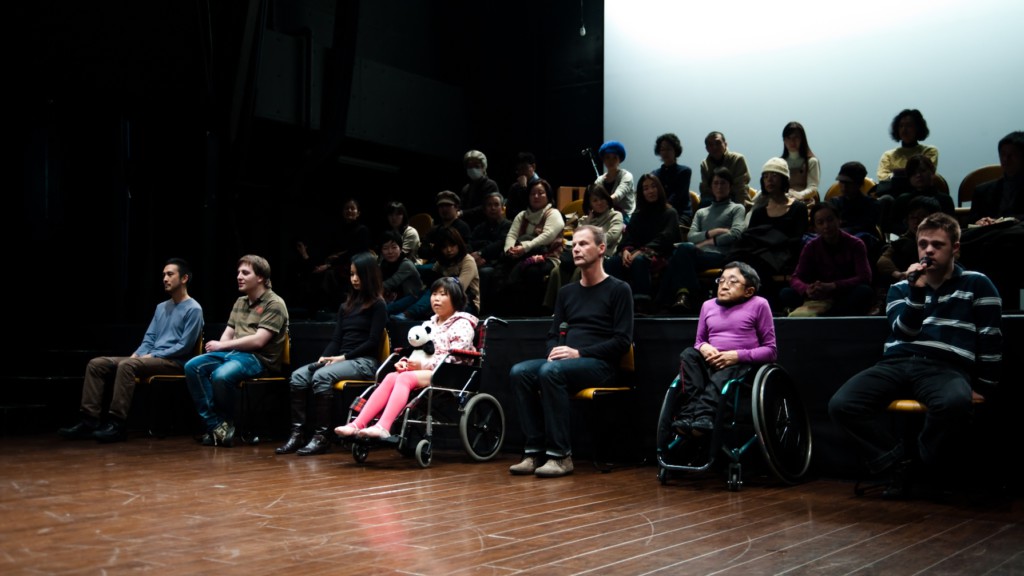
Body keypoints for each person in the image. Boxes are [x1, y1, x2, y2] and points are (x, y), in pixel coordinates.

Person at [828, 213, 1002, 499]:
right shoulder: (901, 287)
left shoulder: (978, 284)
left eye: (937, 245)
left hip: (945, 366)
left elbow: (991, 340)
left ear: (955, 249)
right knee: (842, 404)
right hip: (897, 362)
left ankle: (924, 463)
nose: (928, 251)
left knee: (954, 403)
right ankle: (897, 463)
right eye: (923, 244)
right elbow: (904, 333)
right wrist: (916, 293)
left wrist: (984, 386)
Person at [508, 225, 634, 478]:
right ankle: (534, 452)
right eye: (573, 244)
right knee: (519, 371)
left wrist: (579, 353)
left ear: (601, 249)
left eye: (583, 244)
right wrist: (553, 352)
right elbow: (553, 334)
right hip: (565, 364)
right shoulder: (567, 292)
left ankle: (560, 456)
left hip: (601, 365)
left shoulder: (619, 289)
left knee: (551, 371)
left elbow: (622, 341)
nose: (575, 248)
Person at [59, 258, 204, 443]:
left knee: (128, 366)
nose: (165, 279)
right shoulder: (161, 307)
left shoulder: (194, 309)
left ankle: (117, 424)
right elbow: (150, 338)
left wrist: (153, 355)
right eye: (163, 275)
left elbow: (185, 346)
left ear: (184, 278)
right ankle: (89, 420)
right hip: (152, 358)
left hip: (175, 362)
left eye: (170, 274)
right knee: (97, 364)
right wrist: (137, 354)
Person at [335, 277, 477, 439]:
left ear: (456, 299)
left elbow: (456, 357)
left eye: (443, 294)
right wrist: (406, 362)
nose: (436, 298)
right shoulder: (428, 325)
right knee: (390, 377)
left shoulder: (463, 324)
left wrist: (423, 365)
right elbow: (417, 351)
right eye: (434, 294)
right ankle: (357, 424)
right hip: (425, 371)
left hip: (450, 373)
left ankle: (383, 426)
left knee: (405, 379)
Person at [276, 253, 386, 456]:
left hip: (364, 362)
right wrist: (323, 358)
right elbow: (336, 341)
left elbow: (372, 342)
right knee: (299, 376)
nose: (354, 279)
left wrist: (342, 359)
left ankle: (322, 437)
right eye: (352, 274)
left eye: (358, 275)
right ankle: (298, 434)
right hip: (342, 360)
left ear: (369, 276)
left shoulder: (378, 305)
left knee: (322, 376)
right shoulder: (345, 307)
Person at [185, 255, 289, 447]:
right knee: (193, 366)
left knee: (221, 375)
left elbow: (259, 341)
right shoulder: (240, 302)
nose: (239, 276)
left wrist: (222, 346)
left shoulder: (274, 303)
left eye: (245, 273)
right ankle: (217, 426)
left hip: (259, 359)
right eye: (238, 273)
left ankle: (224, 424)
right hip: (234, 354)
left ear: (260, 278)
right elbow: (228, 334)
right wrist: (221, 347)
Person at [672, 261, 776, 435]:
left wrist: (736, 356)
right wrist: (704, 347)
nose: (724, 286)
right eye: (721, 281)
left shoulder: (759, 304)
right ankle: (689, 413)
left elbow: (770, 350)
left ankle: (705, 416)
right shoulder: (708, 305)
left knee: (727, 372)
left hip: (741, 365)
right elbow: (699, 341)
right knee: (689, 354)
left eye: (732, 282)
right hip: (711, 362)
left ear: (748, 291)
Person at [657, 167, 746, 313]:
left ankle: (668, 300)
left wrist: (706, 241)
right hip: (696, 255)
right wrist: (715, 231)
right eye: (716, 183)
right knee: (679, 253)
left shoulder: (737, 208)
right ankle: (686, 294)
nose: (719, 187)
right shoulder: (701, 212)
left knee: (681, 253)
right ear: (711, 187)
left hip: (721, 255)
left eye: (723, 183)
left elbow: (735, 234)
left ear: (730, 186)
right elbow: (691, 236)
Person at [729, 158, 808, 308]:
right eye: (765, 176)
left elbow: (797, 239)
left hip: (785, 253)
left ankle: (765, 306)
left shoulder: (798, 208)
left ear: (784, 179)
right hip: (760, 253)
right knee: (736, 261)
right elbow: (750, 238)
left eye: (774, 175)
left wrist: (772, 242)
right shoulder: (759, 211)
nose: (769, 180)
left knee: (756, 264)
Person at [780, 203, 874, 317]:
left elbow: (865, 277)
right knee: (786, 293)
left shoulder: (856, 244)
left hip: (843, 294)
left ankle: (827, 315)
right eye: (820, 223)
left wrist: (834, 286)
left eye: (830, 220)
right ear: (814, 228)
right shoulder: (811, 246)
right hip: (817, 296)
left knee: (864, 291)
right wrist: (807, 289)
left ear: (839, 220)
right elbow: (796, 278)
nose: (826, 226)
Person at [604, 173, 680, 313]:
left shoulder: (670, 212)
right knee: (612, 262)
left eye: (653, 187)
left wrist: (642, 250)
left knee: (639, 260)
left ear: (659, 188)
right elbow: (628, 237)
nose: (650, 191)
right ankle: (617, 302)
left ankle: (642, 304)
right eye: (645, 188)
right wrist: (626, 250)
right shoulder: (638, 214)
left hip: (660, 254)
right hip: (636, 253)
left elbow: (666, 238)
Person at [498, 178, 565, 317]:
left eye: (540, 193)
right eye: (532, 193)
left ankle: (532, 313)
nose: (536, 196)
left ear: (548, 196)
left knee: (532, 271)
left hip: (548, 257)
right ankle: (507, 312)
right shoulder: (522, 215)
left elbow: (547, 236)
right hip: (520, 255)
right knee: (500, 269)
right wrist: (510, 250)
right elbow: (511, 235)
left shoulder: (553, 214)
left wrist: (524, 247)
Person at [295, 198, 370, 314]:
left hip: (352, 266)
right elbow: (330, 251)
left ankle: (329, 309)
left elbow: (356, 252)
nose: (349, 211)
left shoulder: (362, 230)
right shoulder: (338, 230)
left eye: (352, 208)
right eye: (346, 208)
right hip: (335, 264)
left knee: (329, 274)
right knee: (314, 271)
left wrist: (330, 264)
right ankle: (315, 310)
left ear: (358, 213)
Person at [401, 226, 480, 319]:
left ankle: (408, 314)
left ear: (459, 244)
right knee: (420, 293)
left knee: (433, 291)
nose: (449, 250)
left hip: (466, 303)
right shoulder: (442, 261)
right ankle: (391, 311)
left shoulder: (467, 260)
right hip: (444, 299)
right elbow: (431, 278)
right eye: (444, 247)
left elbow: (459, 288)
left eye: (452, 245)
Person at [469, 191, 512, 314]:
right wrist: (479, 253)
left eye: (496, 204)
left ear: (502, 208)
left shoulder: (508, 225)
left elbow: (501, 244)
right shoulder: (480, 227)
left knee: (485, 273)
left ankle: (481, 311)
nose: (492, 208)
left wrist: (482, 253)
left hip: (498, 263)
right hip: (478, 262)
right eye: (489, 205)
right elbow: (470, 243)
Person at [968, 130, 1023, 225]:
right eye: (1003, 154)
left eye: (1011, 155)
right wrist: (979, 222)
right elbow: (970, 223)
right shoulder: (982, 192)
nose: (1005, 159)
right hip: (989, 237)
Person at [829, 161, 882, 256]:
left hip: (858, 243)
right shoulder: (834, 202)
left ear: (859, 184)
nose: (844, 187)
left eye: (848, 183)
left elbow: (865, 226)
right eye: (841, 182)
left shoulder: (872, 204)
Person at [876, 108, 939, 182]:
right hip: (894, 191)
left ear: (918, 128)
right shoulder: (888, 155)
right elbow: (881, 176)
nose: (904, 129)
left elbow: (926, 174)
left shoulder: (929, 151)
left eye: (909, 125)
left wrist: (896, 175)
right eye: (901, 126)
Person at [699, 131, 751, 207]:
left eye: (718, 143)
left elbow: (740, 186)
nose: (714, 147)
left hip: (735, 196)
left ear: (725, 144)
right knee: (705, 202)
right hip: (713, 199)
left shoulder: (737, 159)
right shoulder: (704, 164)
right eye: (710, 145)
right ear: (707, 148)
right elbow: (705, 189)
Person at [652, 133, 694, 225]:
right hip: (658, 213)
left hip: (680, 214)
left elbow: (677, 196)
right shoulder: (654, 174)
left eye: (668, 149)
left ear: (675, 150)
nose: (665, 152)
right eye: (662, 149)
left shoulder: (685, 171)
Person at [421, 190, 472, 266]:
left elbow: (466, 250)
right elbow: (422, 250)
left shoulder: (462, 227)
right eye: (441, 206)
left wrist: (435, 249)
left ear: (456, 207)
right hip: (435, 264)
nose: (444, 209)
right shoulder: (435, 229)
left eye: (448, 205)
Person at [380, 231, 425, 316]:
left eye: (394, 247)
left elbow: (389, 283)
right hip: (394, 298)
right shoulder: (384, 264)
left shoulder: (406, 264)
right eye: (385, 248)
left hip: (412, 298)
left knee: (382, 309)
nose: (390, 252)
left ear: (400, 248)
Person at [781, 121, 821, 207]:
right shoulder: (779, 163)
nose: (792, 141)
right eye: (789, 137)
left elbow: (813, 187)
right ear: (784, 140)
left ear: (802, 139)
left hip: (805, 203)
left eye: (796, 137)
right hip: (781, 202)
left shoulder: (811, 161)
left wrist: (798, 195)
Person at [594, 140, 636, 220]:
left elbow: (617, 196)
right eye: (607, 157)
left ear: (620, 160)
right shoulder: (599, 180)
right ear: (603, 160)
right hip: (605, 216)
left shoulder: (627, 176)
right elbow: (593, 198)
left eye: (614, 157)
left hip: (625, 218)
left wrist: (598, 204)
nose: (611, 161)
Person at [459, 150, 500, 229]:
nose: (473, 169)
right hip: (468, 226)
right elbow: (461, 206)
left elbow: (486, 207)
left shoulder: (490, 185)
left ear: (483, 167)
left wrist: (462, 213)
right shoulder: (466, 188)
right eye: (470, 166)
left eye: (476, 166)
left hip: (487, 227)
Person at [506, 151, 541, 219]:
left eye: (524, 168)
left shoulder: (543, 186)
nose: (521, 172)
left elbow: (535, 210)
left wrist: (523, 188)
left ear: (533, 167)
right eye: (518, 170)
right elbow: (509, 213)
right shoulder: (515, 187)